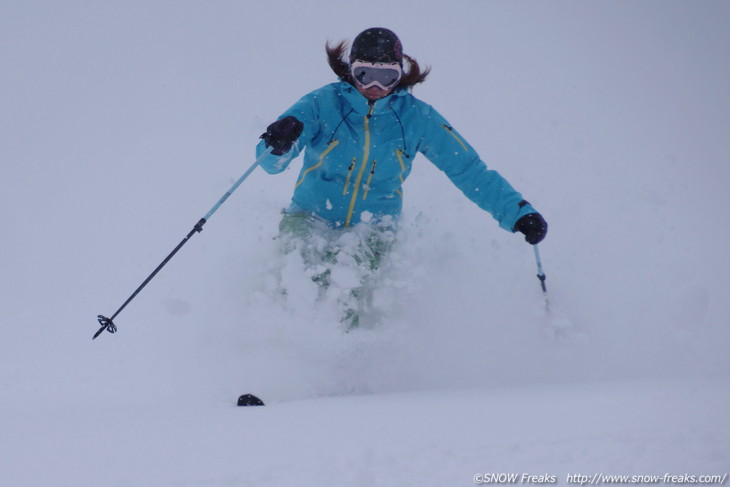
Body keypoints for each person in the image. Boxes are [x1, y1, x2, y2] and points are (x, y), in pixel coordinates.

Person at [257, 27, 547, 327]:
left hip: (372, 228)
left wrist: (516, 212)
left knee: (346, 290)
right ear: (350, 70)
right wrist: (277, 145)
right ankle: (275, 347)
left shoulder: (417, 118)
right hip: (309, 215)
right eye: (364, 74)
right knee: (297, 276)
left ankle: (339, 364)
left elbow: (468, 169)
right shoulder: (322, 103)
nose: (375, 86)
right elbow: (269, 165)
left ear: (400, 75)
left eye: (386, 77)